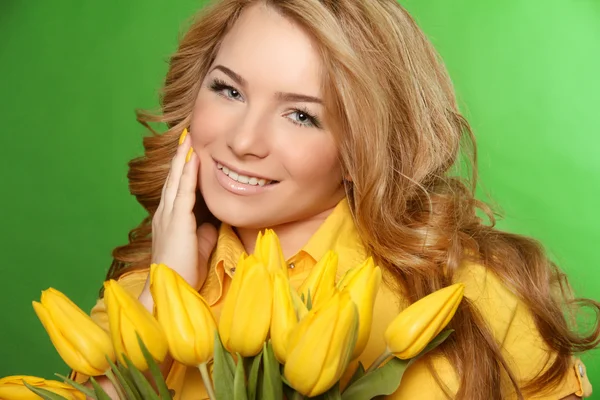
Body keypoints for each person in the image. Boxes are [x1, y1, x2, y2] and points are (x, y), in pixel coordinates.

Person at [72, 0, 598, 398]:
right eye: (229, 90)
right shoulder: (139, 290)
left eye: (302, 115)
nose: (243, 141)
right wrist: (165, 294)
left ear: (362, 146)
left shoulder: (473, 294)